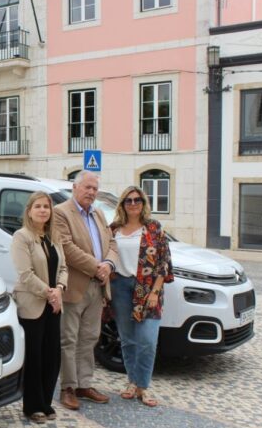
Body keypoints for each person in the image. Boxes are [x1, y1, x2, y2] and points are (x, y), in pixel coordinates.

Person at [53, 170, 119, 411]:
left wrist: (109, 264)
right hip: (74, 286)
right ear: (75, 187)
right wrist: (96, 267)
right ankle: (68, 388)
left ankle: (84, 384)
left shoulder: (99, 213)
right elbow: (66, 248)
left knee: (89, 337)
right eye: (87, 187)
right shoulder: (61, 213)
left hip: (98, 286)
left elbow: (112, 243)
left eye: (94, 188)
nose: (91, 192)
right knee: (68, 339)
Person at [108, 185, 173, 407]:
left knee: (147, 340)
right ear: (122, 204)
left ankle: (143, 386)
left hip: (148, 289)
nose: (133, 204)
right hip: (120, 288)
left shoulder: (154, 228)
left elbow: (164, 263)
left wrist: (155, 291)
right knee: (127, 339)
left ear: (144, 203)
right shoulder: (113, 229)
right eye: (128, 200)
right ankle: (132, 382)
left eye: (137, 200)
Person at [11, 191, 68, 424]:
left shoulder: (54, 236)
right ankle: (32, 406)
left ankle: (46, 402)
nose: (43, 210)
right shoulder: (21, 237)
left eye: (46, 206)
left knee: (52, 356)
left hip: (54, 304)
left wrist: (60, 289)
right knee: (34, 356)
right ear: (29, 211)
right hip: (33, 304)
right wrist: (49, 293)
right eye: (38, 206)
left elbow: (64, 267)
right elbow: (25, 274)